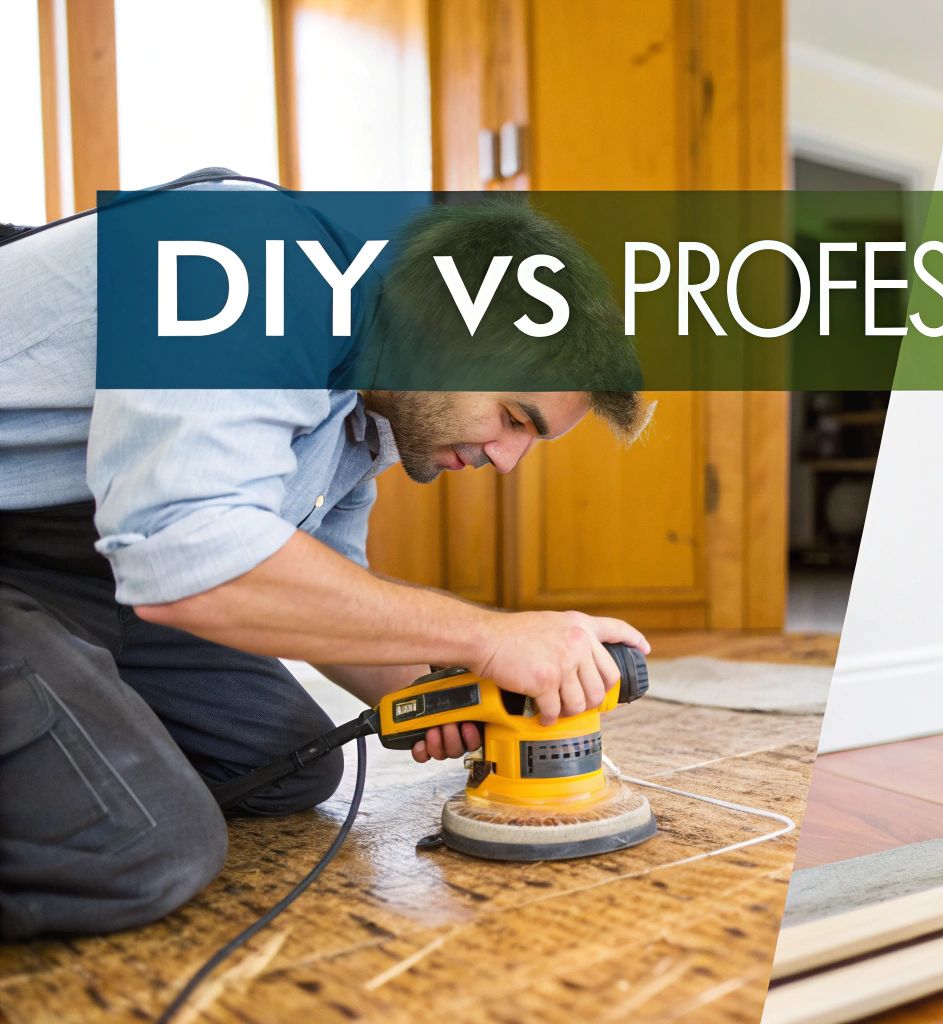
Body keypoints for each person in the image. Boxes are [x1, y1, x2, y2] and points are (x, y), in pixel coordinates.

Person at [0, 172, 652, 938]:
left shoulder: (368, 412)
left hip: (74, 570)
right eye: (513, 417)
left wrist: (456, 689)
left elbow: (325, 590)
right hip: (101, 556)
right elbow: (189, 561)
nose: (506, 460)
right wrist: (491, 635)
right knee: (138, 845)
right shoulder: (250, 259)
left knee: (292, 761)